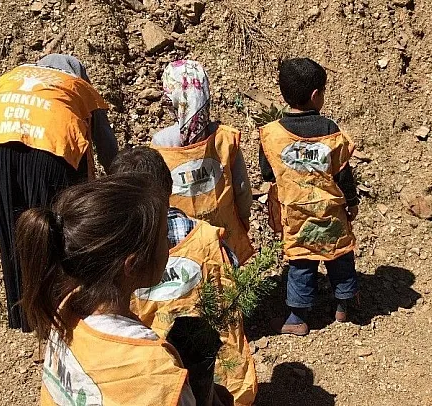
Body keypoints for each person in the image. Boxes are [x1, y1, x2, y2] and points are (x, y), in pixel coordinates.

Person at [0, 54, 118, 331]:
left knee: (14, 234)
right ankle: (61, 315)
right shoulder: (76, 86)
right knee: (57, 233)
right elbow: (104, 142)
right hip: (48, 147)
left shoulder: (12, 78)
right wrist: (119, 183)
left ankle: (26, 317)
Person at [15, 174, 197, 405]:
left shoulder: (67, 309)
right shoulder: (155, 371)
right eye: (163, 236)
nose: (170, 243)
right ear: (132, 264)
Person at [109, 147, 256, 406]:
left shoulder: (113, 256)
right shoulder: (207, 237)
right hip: (209, 365)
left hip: (152, 374)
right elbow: (231, 278)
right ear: (169, 187)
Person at [259, 58, 360, 336]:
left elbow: (267, 173)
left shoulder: (272, 134)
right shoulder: (330, 130)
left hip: (296, 215)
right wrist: (352, 202)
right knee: (339, 255)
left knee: (301, 262)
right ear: (316, 95)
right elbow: (343, 174)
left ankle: (297, 318)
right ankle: (343, 305)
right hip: (330, 212)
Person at [151, 60, 254, 264]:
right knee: (225, 276)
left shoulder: (161, 143)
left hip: (183, 240)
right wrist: (244, 217)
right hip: (223, 233)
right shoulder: (224, 137)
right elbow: (242, 188)